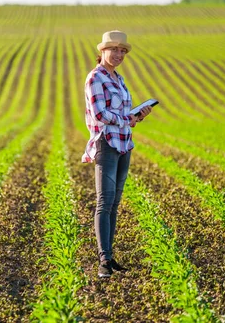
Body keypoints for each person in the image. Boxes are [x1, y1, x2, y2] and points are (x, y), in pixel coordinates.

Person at [81, 30, 152, 278]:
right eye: (115, 50)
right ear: (102, 51)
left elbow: (121, 116)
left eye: (123, 51)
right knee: (104, 201)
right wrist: (127, 119)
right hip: (106, 144)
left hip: (124, 144)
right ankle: (103, 261)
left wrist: (136, 117)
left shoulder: (119, 79)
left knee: (114, 203)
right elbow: (100, 115)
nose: (119, 54)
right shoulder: (95, 78)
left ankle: (110, 258)